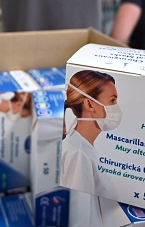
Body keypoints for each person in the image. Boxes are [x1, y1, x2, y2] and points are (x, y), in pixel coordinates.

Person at [61, 69, 121, 225]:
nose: (116, 107)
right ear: (89, 104)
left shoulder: (85, 147)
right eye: (112, 100)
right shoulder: (78, 153)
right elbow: (78, 218)